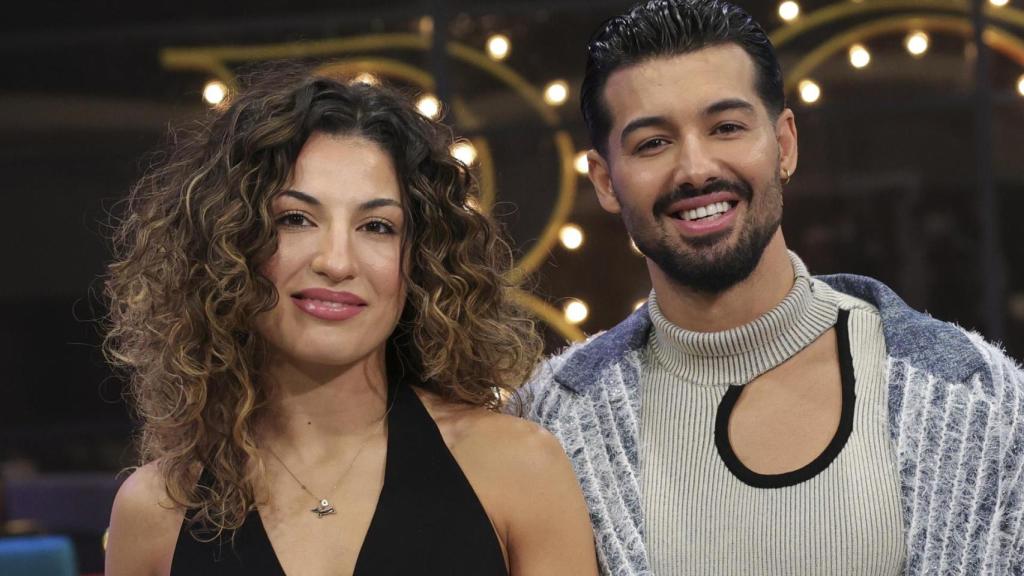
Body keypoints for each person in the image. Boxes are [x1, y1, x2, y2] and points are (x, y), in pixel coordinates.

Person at [523, 1, 1024, 574]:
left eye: (727, 128)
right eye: (652, 143)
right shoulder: (552, 424)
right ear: (606, 181)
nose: (695, 168)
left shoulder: (977, 397)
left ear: (784, 144)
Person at [103, 66, 599, 576]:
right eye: (295, 219)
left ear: (420, 262)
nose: (337, 262)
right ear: (229, 247)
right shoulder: (156, 509)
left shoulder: (517, 468)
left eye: (377, 227)